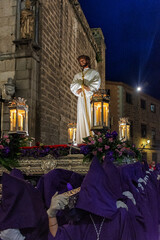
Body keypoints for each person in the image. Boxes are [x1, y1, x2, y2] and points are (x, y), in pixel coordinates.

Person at [70, 55, 101, 144]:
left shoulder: (94, 73)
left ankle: (93, 140)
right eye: (80, 61)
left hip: (90, 98)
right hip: (81, 100)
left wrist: (86, 87)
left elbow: (95, 83)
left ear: (87, 60)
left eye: (83, 60)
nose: (82, 62)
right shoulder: (77, 75)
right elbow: (73, 86)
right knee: (81, 117)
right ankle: (82, 141)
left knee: (92, 117)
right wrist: (81, 86)